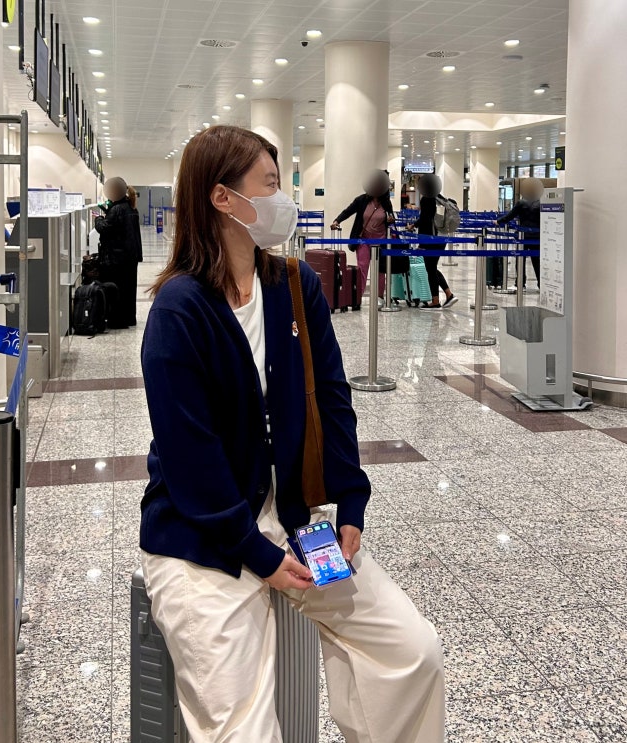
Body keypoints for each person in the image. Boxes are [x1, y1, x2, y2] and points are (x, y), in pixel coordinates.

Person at [140, 124, 445, 743]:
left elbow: (332, 400)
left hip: (297, 524)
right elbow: (189, 456)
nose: (285, 200)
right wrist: (256, 554)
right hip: (206, 538)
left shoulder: (294, 287)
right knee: (242, 727)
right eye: (271, 185)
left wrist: (350, 501)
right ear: (223, 198)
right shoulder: (180, 309)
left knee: (412, 652)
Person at [329, 170, 405, 300]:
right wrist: (337, 221)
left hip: (381, 241)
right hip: (363, 240)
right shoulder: (361, 200)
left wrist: (391, 220)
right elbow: (348, 211)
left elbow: (390, 220)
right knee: (362, 268)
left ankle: (379, 297)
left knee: (381, 271)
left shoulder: (386, 203)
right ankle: (358, 296)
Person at [94, 176, 143, 327]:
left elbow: (104, 228)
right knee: (129, 289)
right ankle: (129, 318)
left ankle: (117, 320)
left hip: (117, 257)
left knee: (117, 288)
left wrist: (98, 219)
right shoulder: (131, 207)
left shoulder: (117, 209)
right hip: (131, 256)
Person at [408, 174, 458, 310]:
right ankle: (448, 295)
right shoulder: (439, 198)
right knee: (432, 267)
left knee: (430, 268)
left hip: (430, 239)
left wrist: (421, 241)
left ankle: (437, 300)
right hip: (441, 238)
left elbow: (425, 220)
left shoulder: (427, 199)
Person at [496, 177, 542, 290]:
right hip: (537, 236)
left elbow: (510, 216)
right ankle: (541, 283)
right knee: (536, 260)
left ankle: (520, 282)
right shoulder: (541, 203)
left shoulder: (521, 203)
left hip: (522, 236)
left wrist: (498, 221)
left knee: (520, 259)